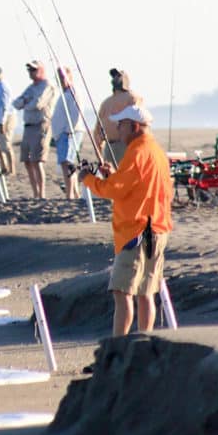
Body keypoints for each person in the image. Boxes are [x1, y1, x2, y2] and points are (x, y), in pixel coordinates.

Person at [79, 104, 173, 337]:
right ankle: (143, 342)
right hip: (157, 229)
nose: (118, 130)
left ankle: (118, 349)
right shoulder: (156, 151)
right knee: (146, 292)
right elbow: (133, 185)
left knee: (122, 293)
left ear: (134, 126)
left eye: (121, 125)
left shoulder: (137, 151)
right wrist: (111, 174)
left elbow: (116, 190)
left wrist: (89, 179)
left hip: (137, 232)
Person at [12, 59, 56, 199]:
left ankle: (41, 193)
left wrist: (26, 102)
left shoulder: (47, 85)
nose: (31, 73)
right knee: (27, 160)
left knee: (37, 161)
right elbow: (16, 103)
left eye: (34, 70)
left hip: (41, 125)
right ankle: (35, 192)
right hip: (28, 127)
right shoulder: (30, 87)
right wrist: (26, 101)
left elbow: (38, 103)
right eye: (29, 70)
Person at [51, 66, 85, 199]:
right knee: (65, 164)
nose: (61, 80)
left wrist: (70, 130)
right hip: (62, 134)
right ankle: (74, 193)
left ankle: (70, 194)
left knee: (67, 163)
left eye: (63, 77)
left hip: (71, 132)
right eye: (59, 77)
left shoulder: (74, 92)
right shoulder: (64, 93)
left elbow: (77, 113)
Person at [95, 68, 140, 165]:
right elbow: (97, 129)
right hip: (109, 147)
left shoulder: (132, 98)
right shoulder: (106, 103)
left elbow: (139, 121)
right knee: (110, 179)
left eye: (118, 76)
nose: (115, 78)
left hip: (125, 146)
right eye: (114, 76)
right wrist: (99, 151)